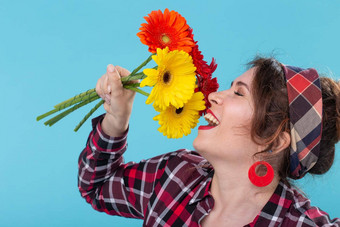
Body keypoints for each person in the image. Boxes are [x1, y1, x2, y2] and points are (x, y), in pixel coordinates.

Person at [78, 57, 340, 226]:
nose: (214, 95)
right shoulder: (175, 175)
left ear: (275, 140)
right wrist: (116, 117)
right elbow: (97, 186)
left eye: (238, 93)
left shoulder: (299, 222)